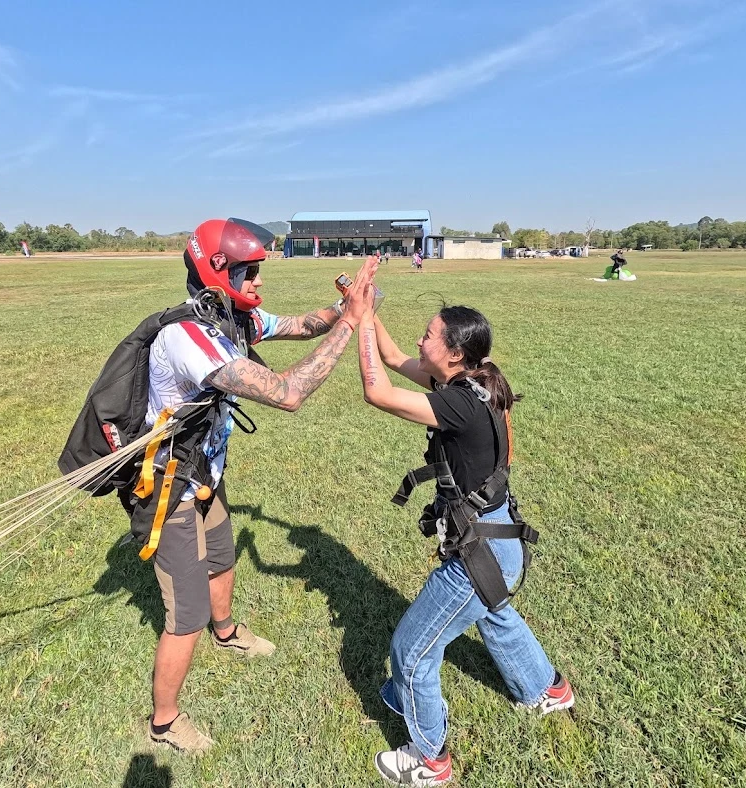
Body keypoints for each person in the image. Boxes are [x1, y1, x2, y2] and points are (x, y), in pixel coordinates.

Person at [140, 218, 377, 753]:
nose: (259, 284)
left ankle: (227, 633)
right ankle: (164, 721)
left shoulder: (233, 319)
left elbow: (300, 324)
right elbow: (288, 392)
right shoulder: (189, 339)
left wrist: (346, 306)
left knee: (222, 557)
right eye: (250, 273)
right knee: (186, 614)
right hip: (169, 489)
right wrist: (350, 326)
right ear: (217, 271)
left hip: (206, 474)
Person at [355, 303, 573, 785]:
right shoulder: (473, 384)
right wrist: (366, 310)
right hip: (499, 541)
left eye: (428, 335)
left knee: (411, 651)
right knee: (495, 614)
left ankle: (430, 758)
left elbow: (377, 390)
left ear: (454, 353)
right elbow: (391, 358)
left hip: (478, 552)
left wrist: (354, 322)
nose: (419, 341)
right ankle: (546, 688)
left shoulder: (458, 404)